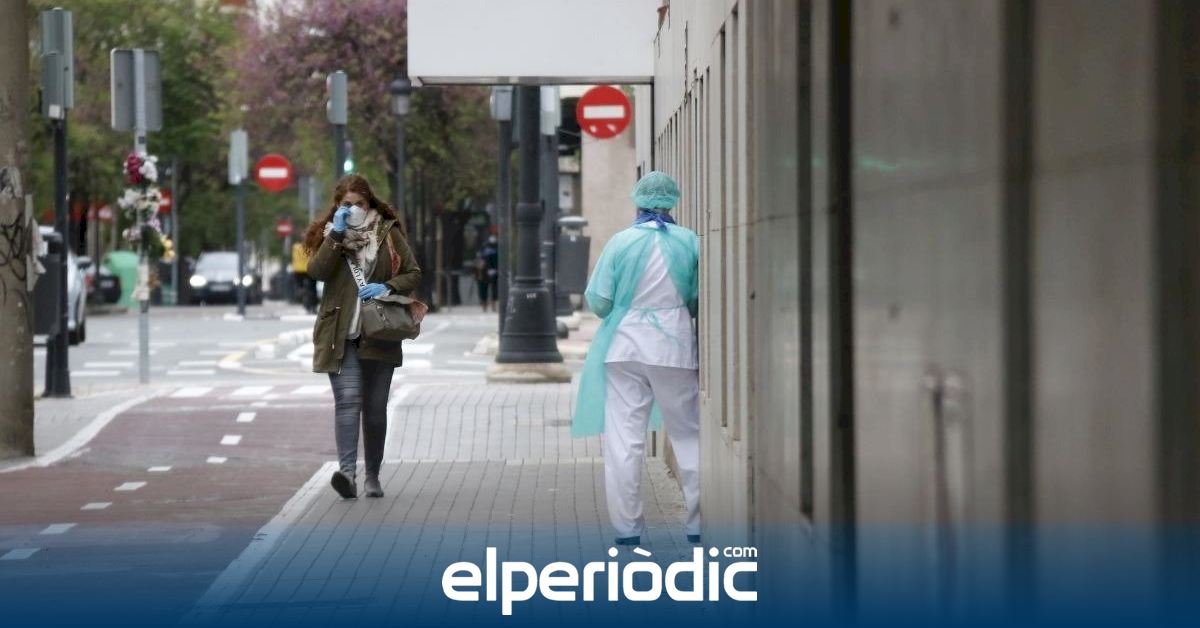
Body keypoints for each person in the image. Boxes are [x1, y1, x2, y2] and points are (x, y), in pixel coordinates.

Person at [572, 171, 701, 546]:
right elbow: (696, 299)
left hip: (623, 348)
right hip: (674, 348)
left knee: (625, 440)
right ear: (672, 201)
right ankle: (697, 524)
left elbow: (598, 301)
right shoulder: (690, 241)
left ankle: (627, 529)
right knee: (688, 433)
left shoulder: (620, 242)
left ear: (638, 201)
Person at [303, 174, 421, 500]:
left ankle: (372, 477)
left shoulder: (387, 232)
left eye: (359, 204)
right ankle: (346, 474)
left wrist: (387, 286)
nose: (353, 209)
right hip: (340, 334)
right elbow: (317, 272)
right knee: (348, 401)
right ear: (337, 206)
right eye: (347, 204)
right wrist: (337, 233)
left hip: (380, 332)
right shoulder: (331, 234)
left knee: (375, 408)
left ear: (369, 204)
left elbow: (413, 272)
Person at [474, 234, 499, 312]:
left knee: (492, 289)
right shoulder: (483, 249)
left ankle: (490, 305)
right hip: (485, 272)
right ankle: (486, 305)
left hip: (492, 271)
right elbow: (479, 262)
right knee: (485, 289)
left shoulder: (496, 249)